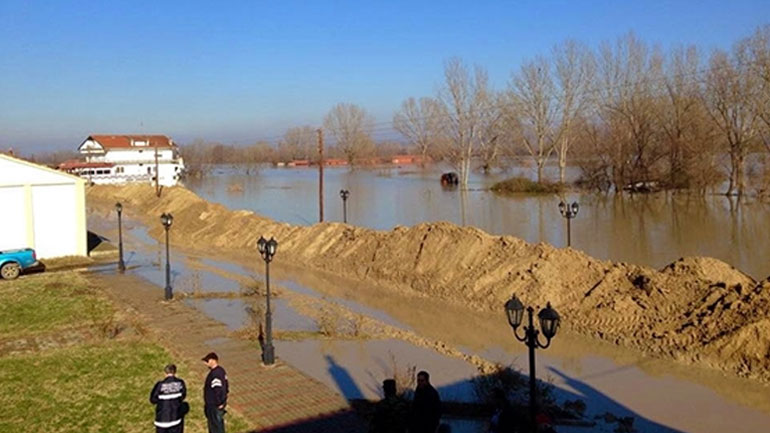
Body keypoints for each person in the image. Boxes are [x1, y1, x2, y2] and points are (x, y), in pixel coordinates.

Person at [149, 364, 188, 433]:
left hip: (161, 420)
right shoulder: (180, 383)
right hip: (175, 419)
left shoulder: (160, 385)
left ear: (165, 372)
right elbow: (183, 396)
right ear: (175, 372)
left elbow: (152, 399)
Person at [202, 352, 229, 433]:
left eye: (207, 361)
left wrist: (219, 402)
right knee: (218, 424)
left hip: (214, 404)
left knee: (215, 426)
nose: (205, 363)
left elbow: (217, 390)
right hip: (218, 403)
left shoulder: (215, 374)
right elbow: (226, 386)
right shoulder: (221, 370)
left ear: (213, 361)